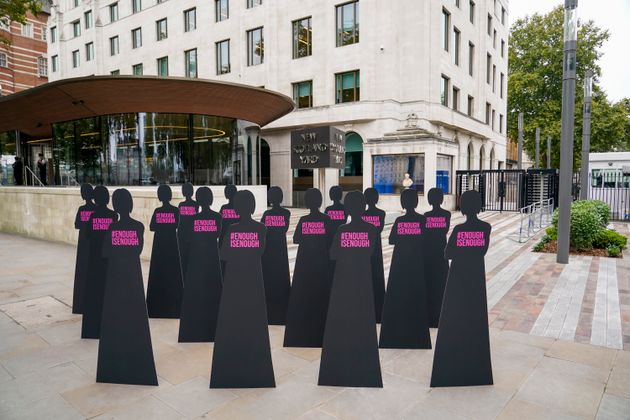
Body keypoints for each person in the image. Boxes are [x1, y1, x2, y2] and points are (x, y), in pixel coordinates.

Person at [210, 190, 275, 388]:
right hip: (253, 280)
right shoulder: (261, 228)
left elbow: (223, 254)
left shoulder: (233, 229)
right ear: (253, 207)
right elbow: (261, 251)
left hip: (234, 281)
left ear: (237, 208)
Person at [318, 191, 382, 387]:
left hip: (344, 280)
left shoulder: (342, 230)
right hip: (363, 279)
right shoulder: (372, 230)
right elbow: (371, 251)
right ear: (363, 208)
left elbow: (333, 254)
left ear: (347, 209)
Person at [430, 190, 493, 387]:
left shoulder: (458, 230)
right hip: (475, 276)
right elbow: (481, 250)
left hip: (458, 277)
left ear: (464, 207)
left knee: (456, 314)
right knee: (475, 315)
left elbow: (448, 253)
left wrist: (460, 249)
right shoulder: (486, 227)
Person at [97, 188, 158, 386]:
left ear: (115, 206)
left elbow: (105, 252)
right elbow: (138, 249)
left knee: (116, 315)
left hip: (115, 277)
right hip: (133, 276)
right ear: (130, 205)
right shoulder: (138, 226)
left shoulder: (112, 228)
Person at [379, 188, 431, 349]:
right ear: (416, 202)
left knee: (398, 293)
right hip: (416, 261)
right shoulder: (423, 220)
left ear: (402, 202)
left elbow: (392, 239)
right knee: (416, 293)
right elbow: (425, 239)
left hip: (400, 262)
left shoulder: (400, 221)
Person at [284, 188, 334, 347]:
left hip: (304, 262)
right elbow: (331, 240)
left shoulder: (304, 220)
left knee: (304, 292)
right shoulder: (326, 219)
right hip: (321, 261)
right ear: (320, 202)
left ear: (307, 202)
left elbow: (296, 238)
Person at [178, 186, 223, 342]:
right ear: (210, 199)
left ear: (198, 199)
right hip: (212, 257)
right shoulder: (217, 217)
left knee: (196, 290)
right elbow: (217, 234)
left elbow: (189, 237)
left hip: (196, 258)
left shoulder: (192, 219)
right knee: (213, 289)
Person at [147, 184, 184, 318]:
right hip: (172, 245)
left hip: (159, 245)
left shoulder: (157, 211)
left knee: (158, 272)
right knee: (173, 273)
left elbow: (152, 227)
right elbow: (176, 225)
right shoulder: (175, 210)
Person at [260, 187, 291, 325]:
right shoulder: (286, 213)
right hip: (280, 248)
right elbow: (284, 229)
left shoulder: (267, 214)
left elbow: (262, 229)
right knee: (281, 276)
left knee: (269, 277)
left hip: (269, 249)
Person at [424, 188, 452, 328]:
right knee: (441, 281)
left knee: (432, 281)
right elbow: (443, 231)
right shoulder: (446, 214)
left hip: (430, 251)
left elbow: (426, 234)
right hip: (440, 250)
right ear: (441, 199)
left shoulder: (426, 216)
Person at [362, 187, 386, 323]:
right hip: (376, 248)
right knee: (377, 275)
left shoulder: (362, 215)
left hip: (366, 247)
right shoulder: (381, 214)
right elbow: (380, 229)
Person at [72, 183, 95, 314]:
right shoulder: (97, 209)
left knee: (82, 271)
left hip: (84, 243)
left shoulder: (82, 209)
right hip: (94, 243)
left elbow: (77, 225)